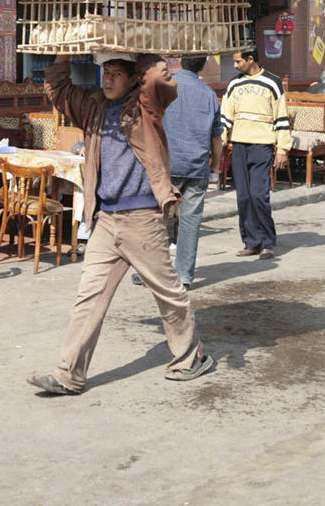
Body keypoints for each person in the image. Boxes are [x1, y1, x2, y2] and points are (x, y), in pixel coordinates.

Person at [27, 52, 214, 396]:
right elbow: (58, 88)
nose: (108, 80)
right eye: (104, 73)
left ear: (132, 79)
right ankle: (69, 374)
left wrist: (136, 45)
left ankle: (192, 357)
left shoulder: (147, 105)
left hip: (142, 216)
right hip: (106, 219)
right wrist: (64, 53)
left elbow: (159, 77)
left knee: (168, 293)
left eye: (116, 74)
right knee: (89, 297)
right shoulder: (93, 106)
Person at [220, 48, 292, 260]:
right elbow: (225, 117)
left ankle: (268, 242)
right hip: (240, 145)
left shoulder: (273, 82)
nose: (235, 66)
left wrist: (282, 150)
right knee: (243, 196)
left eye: (237, 61)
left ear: (250, 59)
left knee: (259, 195)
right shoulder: (234, 84)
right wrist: (220, 144)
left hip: (262, 146)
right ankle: (252, 242)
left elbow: (281, 118)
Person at [161, 55, 223, 289]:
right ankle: (184, 276)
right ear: (204, 65)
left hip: (166, 165)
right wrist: (216, 169)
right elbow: (216, 137)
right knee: (190, 222)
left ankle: (152, 272)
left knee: (158, 220)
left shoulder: (166, 87)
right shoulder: (208, 95)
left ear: (179, 63)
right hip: (197, 167)